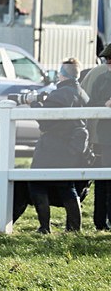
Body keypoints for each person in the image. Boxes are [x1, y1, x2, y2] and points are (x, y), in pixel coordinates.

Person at [27, 58, 89, 233]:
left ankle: (44, 227)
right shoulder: (82, 93)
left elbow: (45, 122)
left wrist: (33, 103)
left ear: (62, 74)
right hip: (73, 149)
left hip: (53, 148)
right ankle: (74, 228)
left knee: (37, 184)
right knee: (66, 186)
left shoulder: (60, 93)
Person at [85, 44, 111, 230]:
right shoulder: (101, 79)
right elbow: (91, 103)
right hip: (104, 137)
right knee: (103, 179)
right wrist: (105, 104)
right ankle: (100, 221)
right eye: (106, 59)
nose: (107, 62)